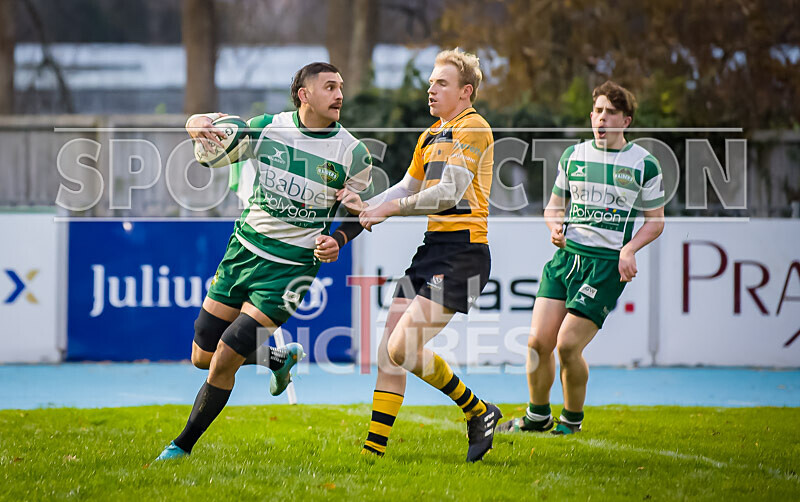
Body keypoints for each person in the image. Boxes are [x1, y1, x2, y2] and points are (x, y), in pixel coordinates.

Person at [154, 62, 372, 461]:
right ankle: (278, 358)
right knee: (202, 356)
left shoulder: (353, 153)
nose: (339, 94)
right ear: (304, 95)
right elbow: (213, 141)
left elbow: (361, 213)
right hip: (243, 252)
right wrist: (193, 124)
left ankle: (180, 447)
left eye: (340, 86)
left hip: (290, 270)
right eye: (329, 87)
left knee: (225, 357)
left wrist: (339, 239)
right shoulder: (267, 127)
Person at [355, 48, 500, 462]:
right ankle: (372, 453)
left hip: (463, 252)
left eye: (441, 83)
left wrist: (389, 209)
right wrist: (362, 205)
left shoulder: (473, 127)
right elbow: (406, 187)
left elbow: (448, 193)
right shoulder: (431, 134)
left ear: (465, 92)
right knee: (389, 351)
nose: (431, 89)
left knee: (403, 346)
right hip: (432, 248)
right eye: (431, 82)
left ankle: (478, 409)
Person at [498, 81, 665, 435]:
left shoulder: (644, 164)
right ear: (591, 116)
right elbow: (552, 207)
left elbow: (656, 222)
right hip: (565, 260)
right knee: (537, 344)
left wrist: (629, 249)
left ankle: (571, 422)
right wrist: (554, 227)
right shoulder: (573, 156)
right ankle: (537, 417)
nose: (602, 118)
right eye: (598, 111)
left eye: (611, 113)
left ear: (626, 121)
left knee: (568, 345)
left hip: (604, 268)